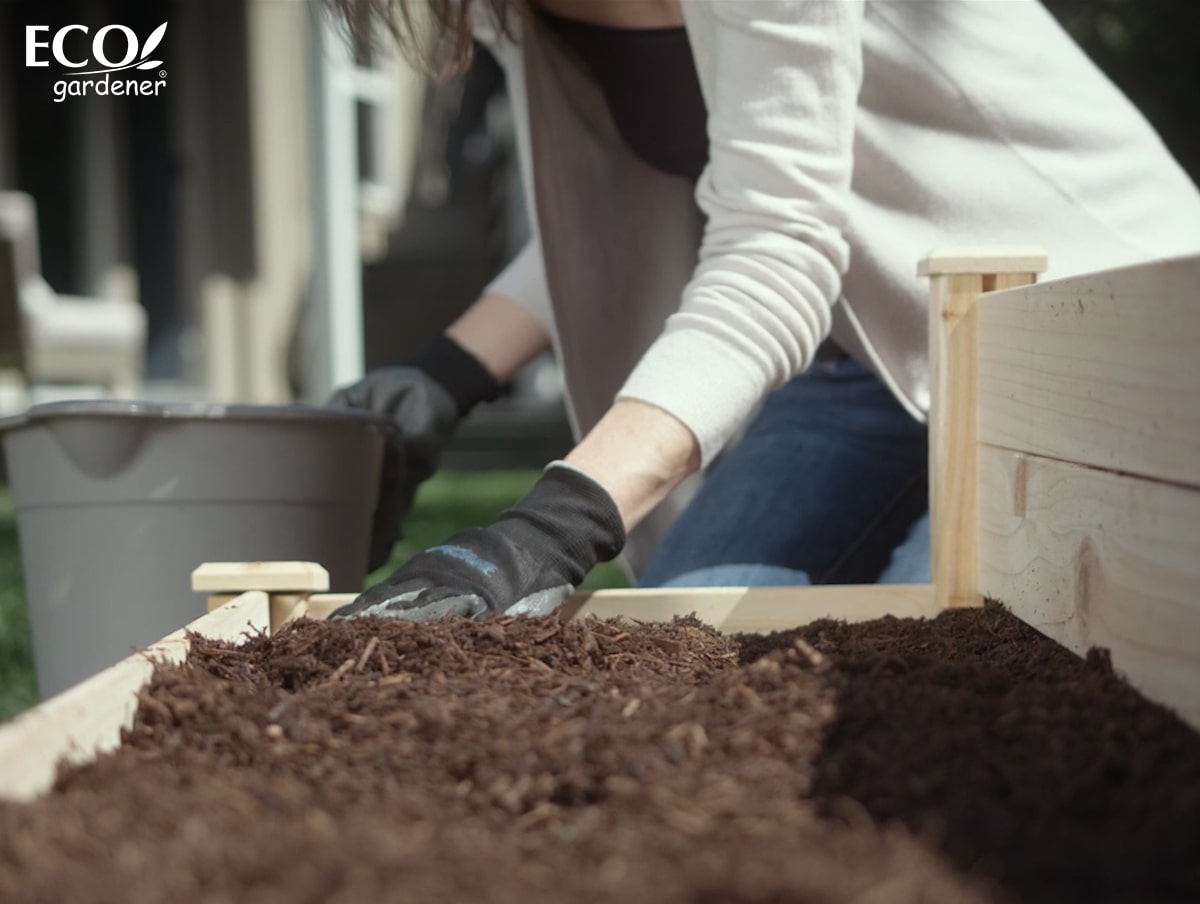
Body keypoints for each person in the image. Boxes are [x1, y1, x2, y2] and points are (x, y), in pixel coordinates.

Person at [330, 0, 1200, 621]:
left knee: (934, 651)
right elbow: (628, 206)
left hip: (1079, 333)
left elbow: (779, 244)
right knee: (683, 637)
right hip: (864, 360)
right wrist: (445, 377)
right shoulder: (508, 12)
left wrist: (556, 525)